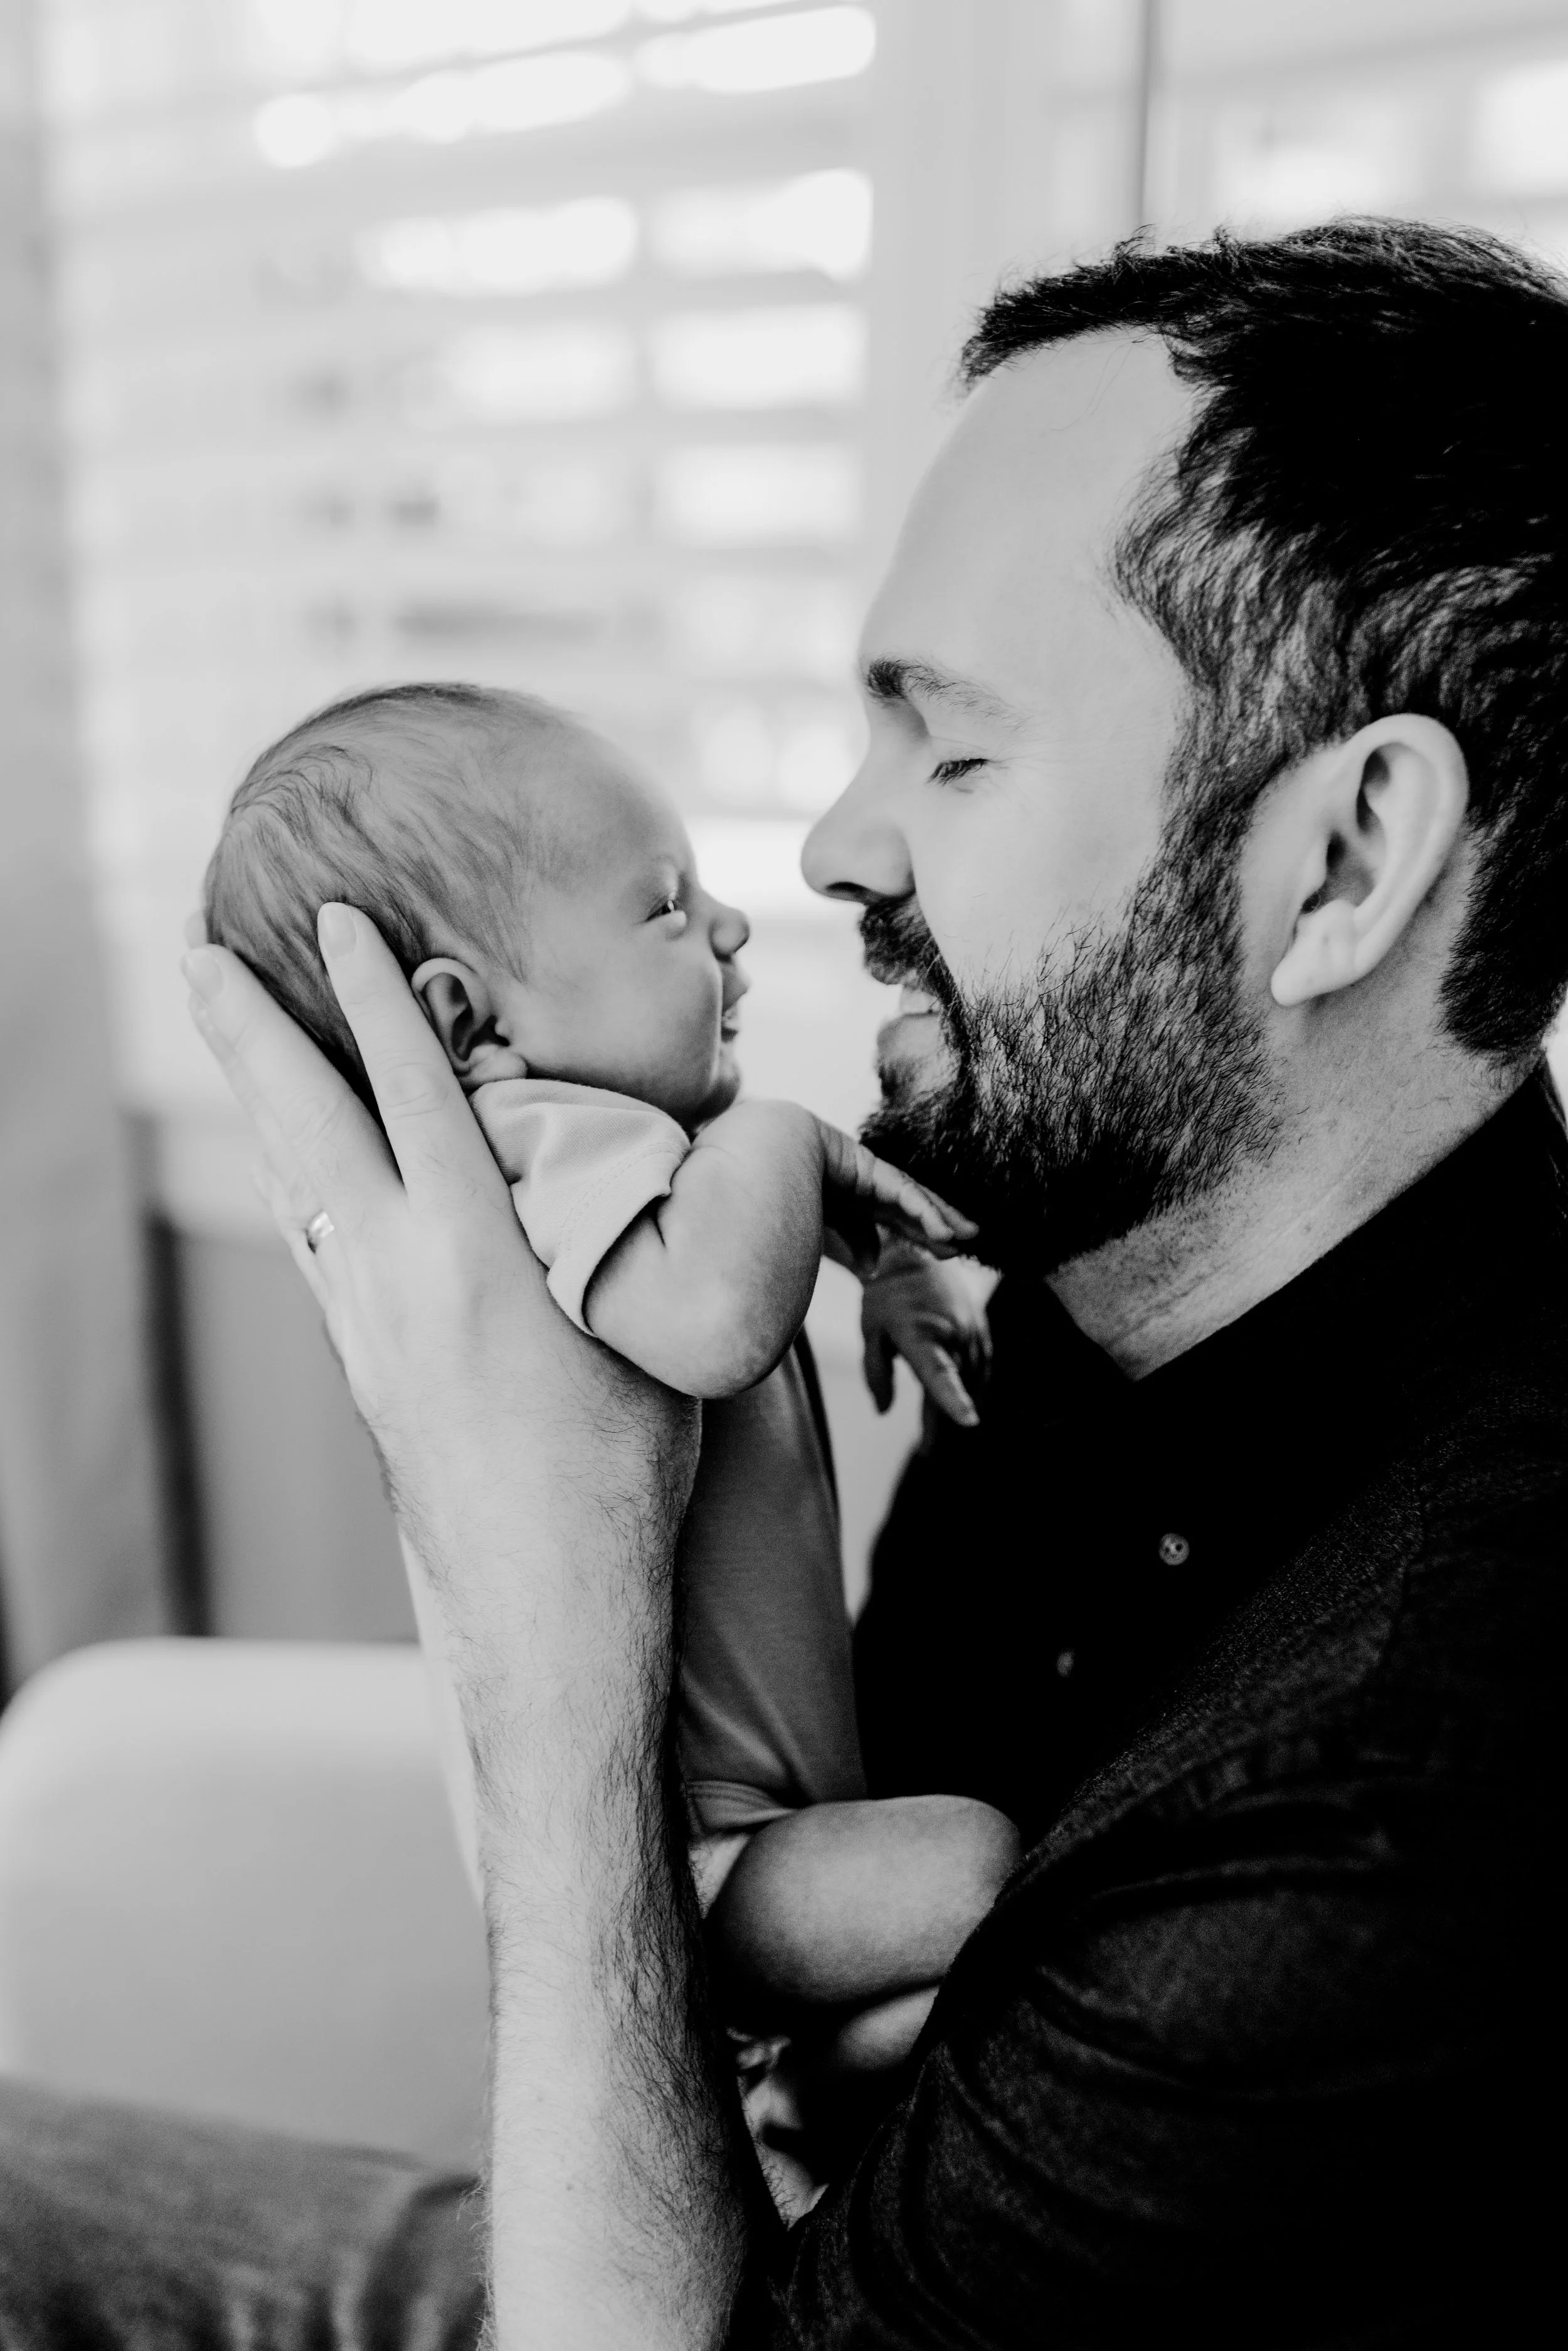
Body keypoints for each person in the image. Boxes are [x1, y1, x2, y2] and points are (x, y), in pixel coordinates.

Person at [3, 215, 1565, 2345]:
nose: (832, 848)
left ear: (1345, 862)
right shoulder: (1097, 1309)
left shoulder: (1378, 1815)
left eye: (955, 747)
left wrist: (539, 1605)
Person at [201, 681, 1009, 2160]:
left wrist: (870, 1264)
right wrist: (790, 1138)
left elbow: (711, 1272)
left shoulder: (620, 1168)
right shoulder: (524, 1155)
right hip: (691, 1872)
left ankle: (801, 2115)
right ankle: (799, 2107)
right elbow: (711, 1317)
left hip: (747, 1844)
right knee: (974, 1864)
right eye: (662, 905)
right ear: (467, 1022)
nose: (728, 928)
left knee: (928, 2017)